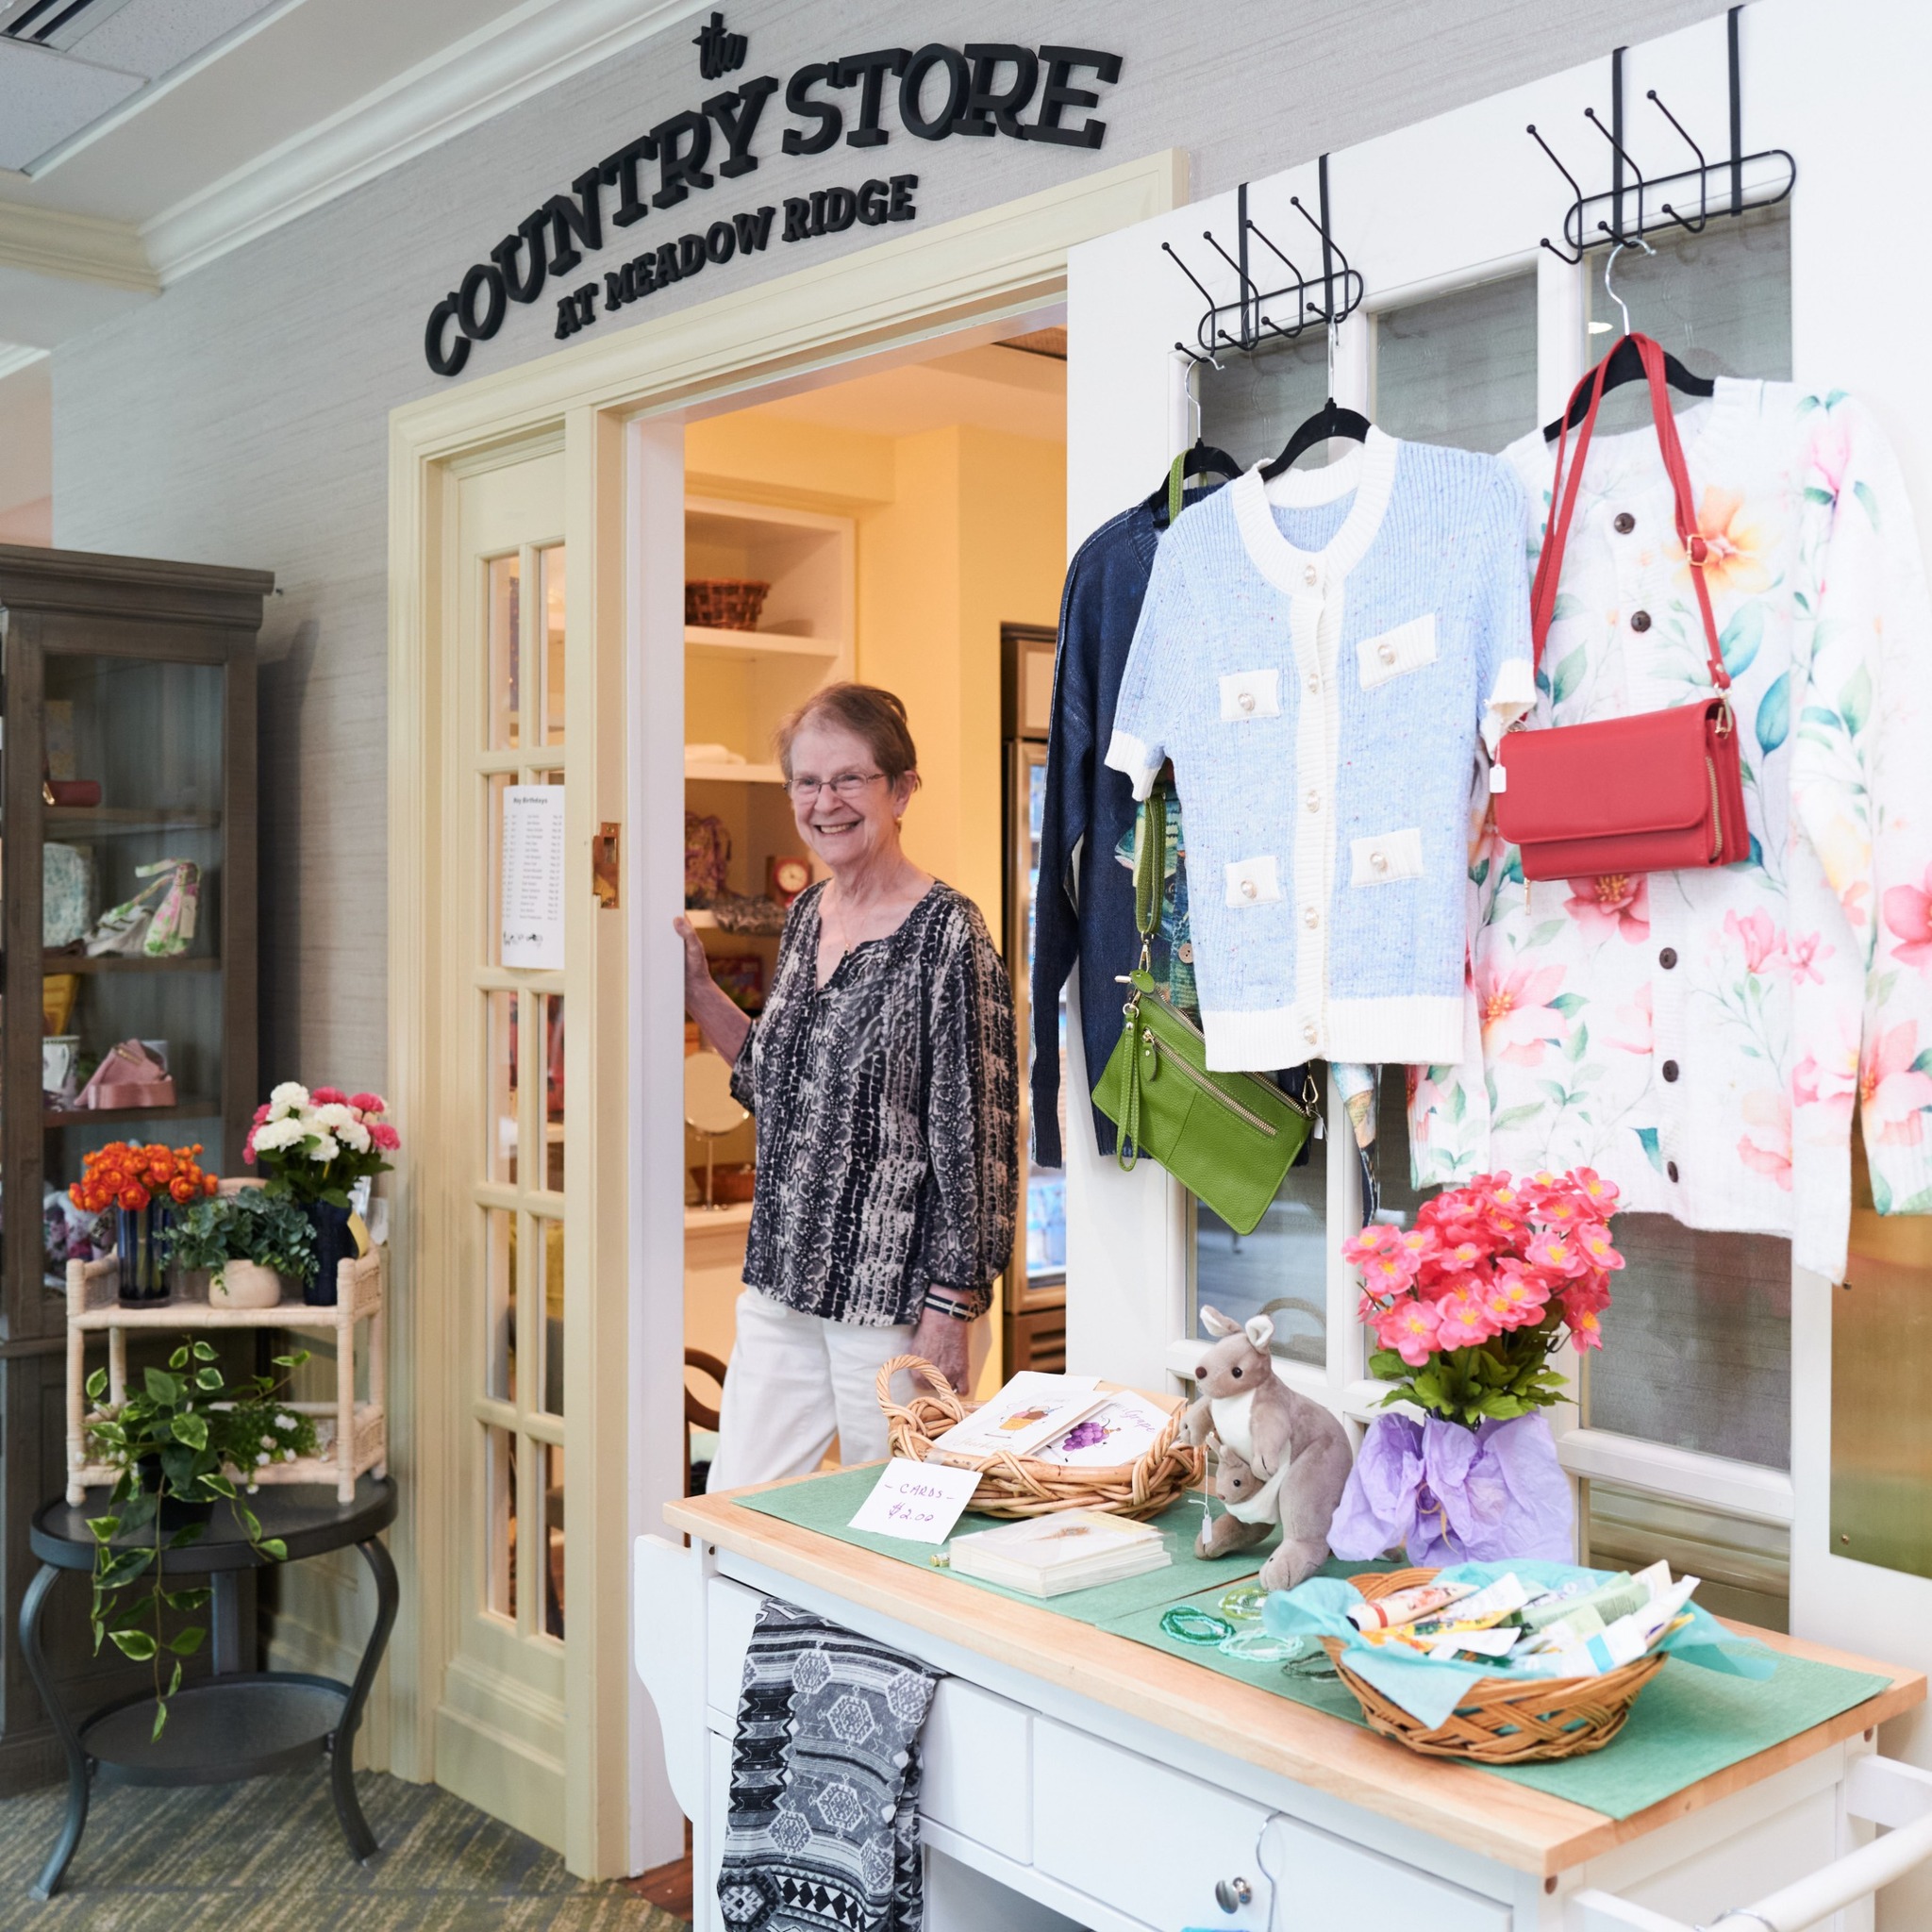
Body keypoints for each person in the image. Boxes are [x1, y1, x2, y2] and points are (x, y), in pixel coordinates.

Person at [676, 682, 1019, 1489]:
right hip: (783, 1283)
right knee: (738, 1508)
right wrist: (698, 992)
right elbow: (776, 1084)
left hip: (894, 1302)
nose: (824, 802)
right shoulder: (806, 916)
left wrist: (951, 1313)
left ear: (900, 790)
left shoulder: (949, 936)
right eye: (806, 781)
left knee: (896, 1523)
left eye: (848, 780)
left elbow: (982, 1149)